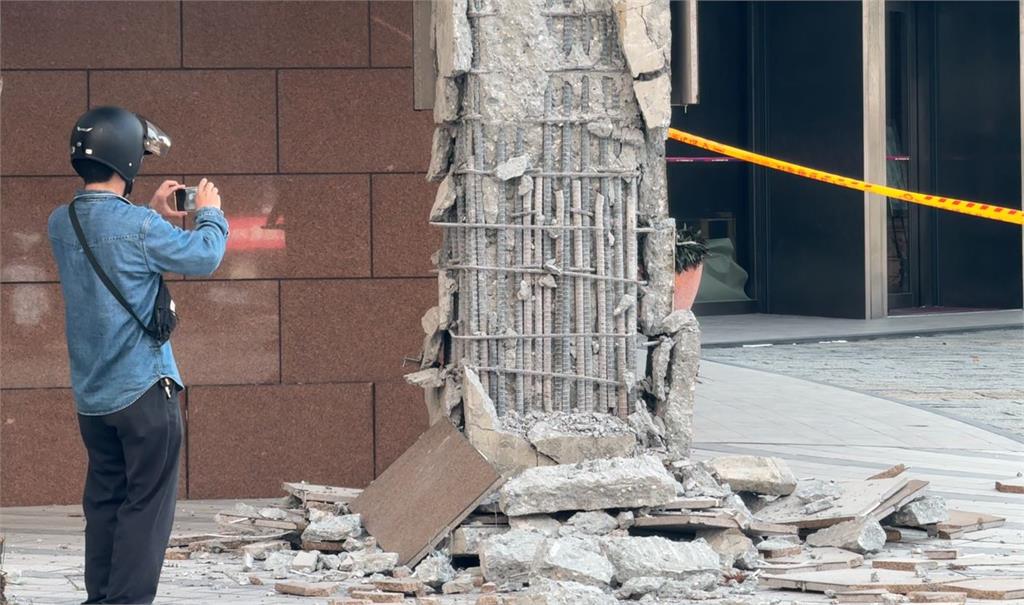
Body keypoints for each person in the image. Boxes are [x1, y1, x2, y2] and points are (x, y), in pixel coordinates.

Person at [47, 106, 229, 604]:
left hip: (94, 399)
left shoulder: (60, 224)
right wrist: (209, 211)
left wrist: (147, 213)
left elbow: (113, 242)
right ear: (127, 159)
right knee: (144, 512)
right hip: (146, 393)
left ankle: (100, 598)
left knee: (105, 505)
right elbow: (205, 255)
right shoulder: (138, 228)